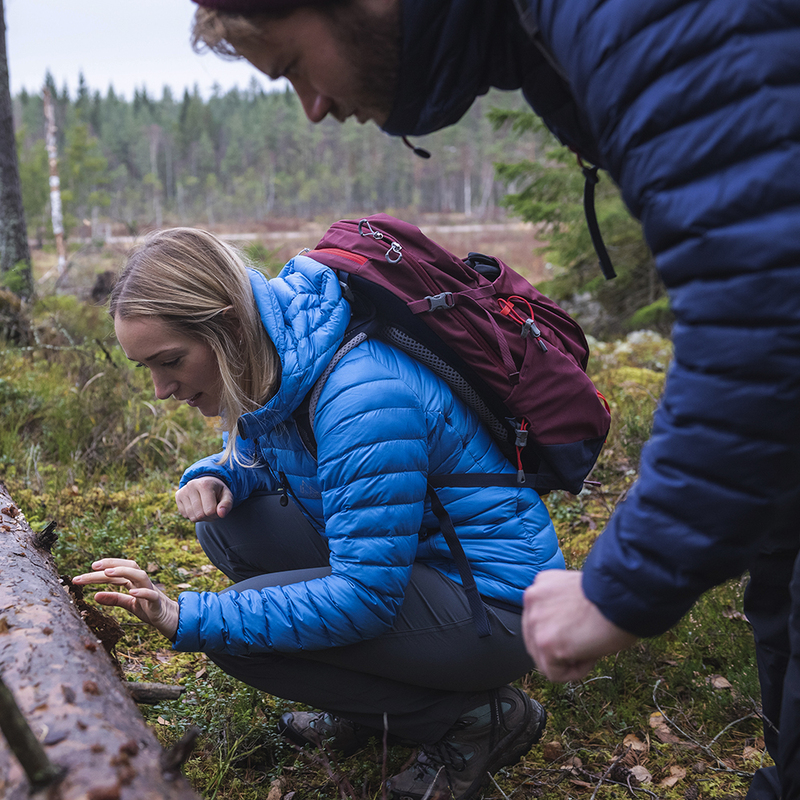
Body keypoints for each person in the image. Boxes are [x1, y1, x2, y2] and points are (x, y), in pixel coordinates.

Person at [186, 2, 800, 798]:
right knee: (783, 574)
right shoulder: (552, 29)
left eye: (294, 65)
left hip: (488, 600)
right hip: (459, 579)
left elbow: (760, 303)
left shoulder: (631, 17)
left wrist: (625, 583)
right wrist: (224, 472)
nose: (315, 106)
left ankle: (456, 715)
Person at [72, 227, 561, 800]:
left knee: (232, 635)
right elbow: (296, 458)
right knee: (228, 526)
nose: (160, 389)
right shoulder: (284, 355)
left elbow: (365, 597)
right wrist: (219, 474)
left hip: (499, 609)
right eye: (145, 368)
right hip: (427, 568)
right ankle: (370, 700)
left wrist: (189, 619)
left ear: (227, 326)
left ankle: (474, 719)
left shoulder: (361, 394)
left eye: (170, 360)